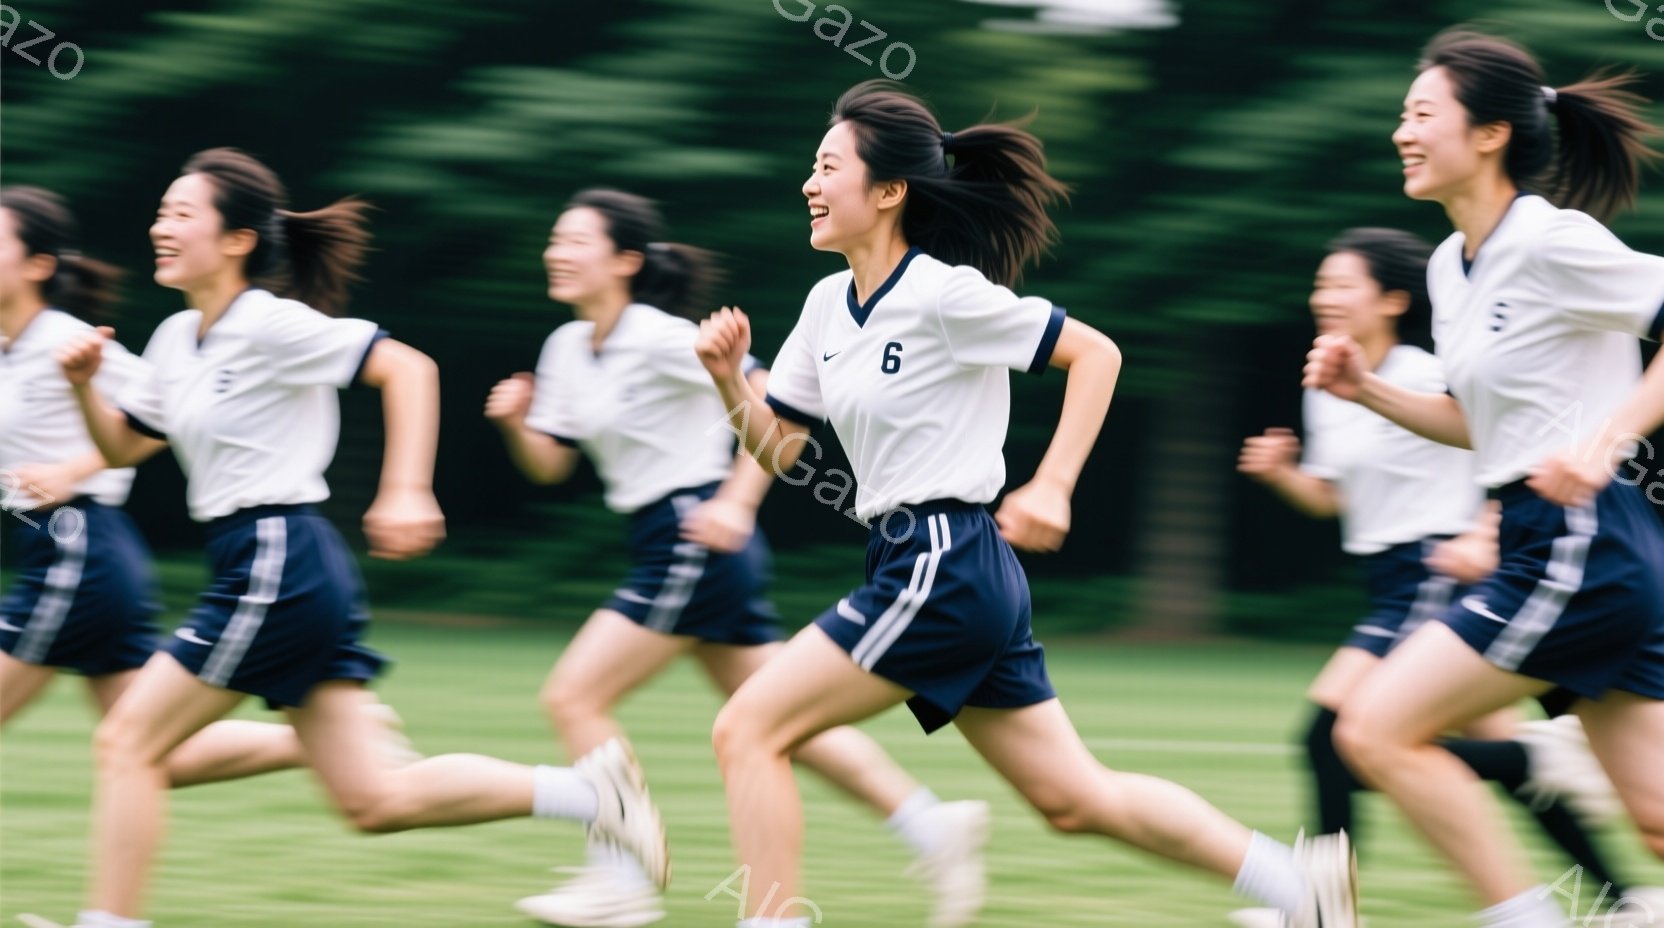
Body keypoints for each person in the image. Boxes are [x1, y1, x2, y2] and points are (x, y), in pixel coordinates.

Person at [694, 79, 1357, 928]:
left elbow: (1097, 354)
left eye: (828, 167)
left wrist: (1052, 484)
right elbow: (779, 447)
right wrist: (725, 379)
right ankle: (1300, 888)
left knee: (746, 729)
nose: (809, 185)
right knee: (1074, 800)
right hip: (939, 566)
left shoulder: (942, 293)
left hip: (943, 561)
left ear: (890, 191)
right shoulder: (828, 305)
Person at [31, 150, 667, 928]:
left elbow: (407, 368)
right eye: (161, 213)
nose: (160, 227)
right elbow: (128, 446)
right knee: (375, 800)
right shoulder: (173, 339)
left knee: (128, 739)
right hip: (266, 562)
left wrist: (406, 487)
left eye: (181, 214)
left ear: (236, 240)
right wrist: (82, 388)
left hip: (278, 558)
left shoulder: (268, 323)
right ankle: (592, 794)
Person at [487, 188, 990, 928]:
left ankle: (621, 877)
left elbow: (769, 403)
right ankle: (930, 825)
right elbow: (549, 466)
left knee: (575, 697)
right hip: (669, 541)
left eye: (574, 241)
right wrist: (515, 424)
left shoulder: (659, 336)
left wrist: (736, 502)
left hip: (695, 535)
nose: (555, 252)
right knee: (777, 723)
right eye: (554, 240)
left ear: (625, 261)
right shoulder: (566, 348)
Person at [1306, 29, 1664, 928]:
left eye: (1423, 113)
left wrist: (1606, 439)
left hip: (1577, 538)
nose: (1404, 131)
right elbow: (1484, 426)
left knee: (1372, 729)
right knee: (1656, 818)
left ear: (1491, 133)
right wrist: (1370, 390)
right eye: (1402, 115)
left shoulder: (1550, 241)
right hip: (1564, 541)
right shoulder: (1447, 265)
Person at [1233, 226, 1647, 928]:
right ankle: (1608, 885)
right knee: (1482, 762)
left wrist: (1482, 534)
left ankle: (1326, 909)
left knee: (1332, 733)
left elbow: (1505, 446)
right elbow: (1339, 500)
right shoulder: (1332, 380)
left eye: (1341, 285)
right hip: (1391, 574)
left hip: (1439, 569)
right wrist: (1284, 478)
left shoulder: (1427, 373)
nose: (1322, 297)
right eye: (1320, 283)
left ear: (1393, 300)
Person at [0, 184, 318, 782]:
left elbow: (162, 416)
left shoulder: (65, 341)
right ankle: (321, 745)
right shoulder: (7, 350)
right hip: (58, 550)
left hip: (78, 550)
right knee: (159, 753)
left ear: (38, 265)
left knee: (134, 745)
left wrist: (69, 472)